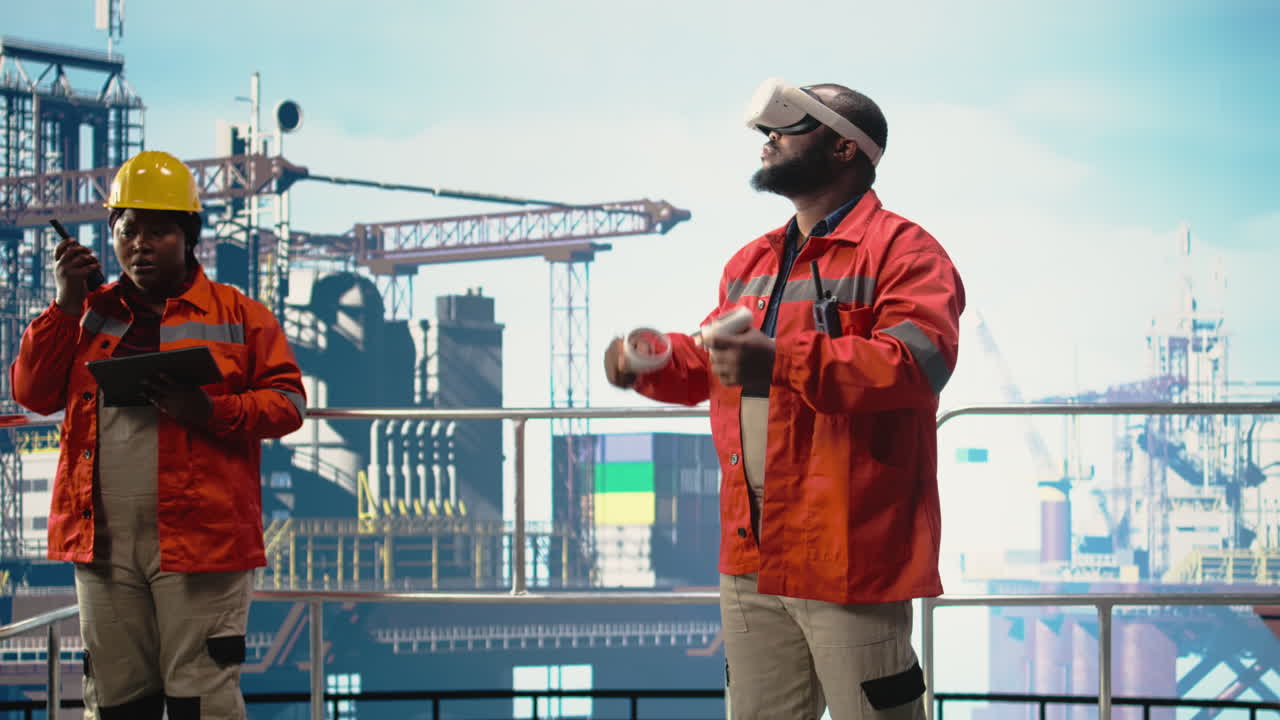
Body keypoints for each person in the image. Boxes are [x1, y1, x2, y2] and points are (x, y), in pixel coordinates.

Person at [605, 80, 965, 719]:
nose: (768, 140)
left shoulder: (904, 252)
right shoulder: (752, 262)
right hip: (752, 556)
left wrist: (781, 359)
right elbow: (710, 365)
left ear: (844, 148)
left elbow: (915, 363)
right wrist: (646, 361)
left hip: (848, 550)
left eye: (788, 127)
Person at [9, 150, 307, 719]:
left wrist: (209, 411)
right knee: (118, 701)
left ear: (189, 235)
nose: (140, 244)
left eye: (158, 231)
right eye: (128, 230)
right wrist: (64, 305)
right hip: (104, 544)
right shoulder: (87, 313)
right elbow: (32, 392)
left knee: (202, 699)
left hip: (202, 542)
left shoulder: (241, 316)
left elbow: (288, 403)